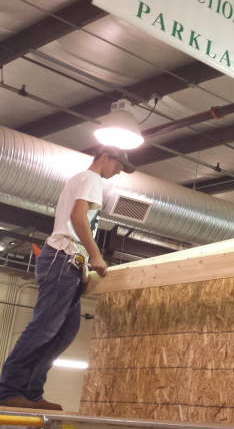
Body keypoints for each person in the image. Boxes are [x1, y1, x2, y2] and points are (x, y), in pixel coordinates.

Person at [0, 145, 135, 410]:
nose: (118, 172)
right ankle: (8, 390)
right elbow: (78, 217)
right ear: (105, 157)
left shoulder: (86, 180)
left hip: (69, 262)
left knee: (64, 332)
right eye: (118, 166)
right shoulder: (91, 178)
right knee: (45, 327)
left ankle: (31, 392)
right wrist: (96, 255)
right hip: (62, 258)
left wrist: (85, 265)